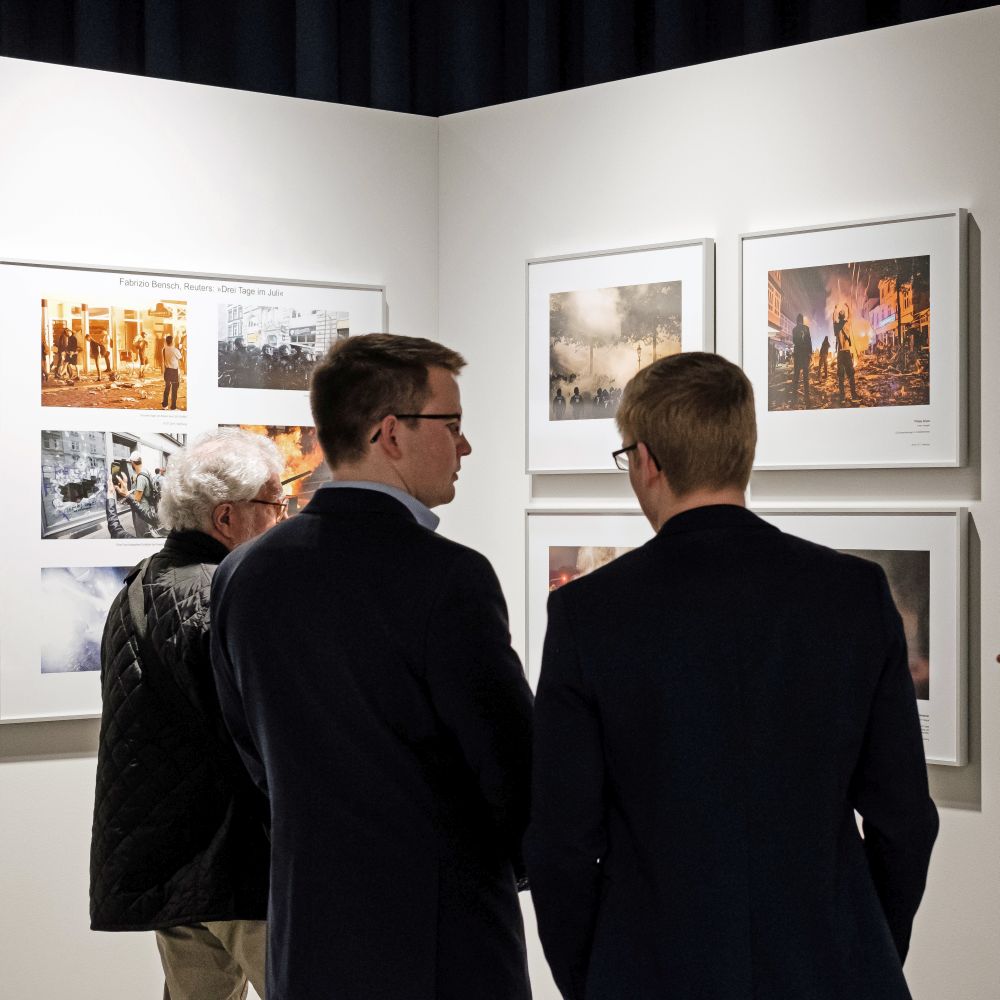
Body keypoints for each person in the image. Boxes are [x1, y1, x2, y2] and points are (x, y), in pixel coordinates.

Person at [525, 351, 938, 1000]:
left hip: (651, 972)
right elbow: (905, 820)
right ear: (742, 450)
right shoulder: (854, 594)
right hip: (832, 970)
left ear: (648, 461)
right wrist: (863, 950)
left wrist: (597, 977)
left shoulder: (588, 613)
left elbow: (560, 847)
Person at [211, 334, 534, 1000]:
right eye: (453, 426)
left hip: (308, 940)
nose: (465, 447)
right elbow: (510, 768)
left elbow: (253, 750)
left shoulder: (245, 572)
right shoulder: (449, 579)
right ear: (390, 433)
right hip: (440, 945)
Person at [90, 429, 287, 1000]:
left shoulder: (141, 583)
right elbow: (264, 733)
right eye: (273, 504)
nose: (283, 516)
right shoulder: (226, 596)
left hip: (173, 862)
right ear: (226, 517)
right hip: (240, 865)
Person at [119, 451, 158, 538]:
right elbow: (143, 489)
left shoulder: (140, 477)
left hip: (141, 510)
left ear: (132, 463)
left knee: (141, 533)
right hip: (146, 508)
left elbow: (137, 499)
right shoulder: (146, 471)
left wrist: (127, 496)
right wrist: (133, 490)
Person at [834, 305, 858, 403]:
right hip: (847, 352)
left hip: (840, 353)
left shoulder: (835, 326)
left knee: (841, 376)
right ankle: (854, 395)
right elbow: (851, 316)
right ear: (844, 317)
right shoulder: (847, 325)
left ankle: (842, 396)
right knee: (851, 375)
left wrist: (834, 310)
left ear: (839, 317)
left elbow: (833, 318)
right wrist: (848, 307)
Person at [791, 312, 812, 406]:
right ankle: (807, 398)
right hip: (805, 355)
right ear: (802, 320)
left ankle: (794, 398)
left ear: (796, 320)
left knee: (796, 376)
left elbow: (794, 341)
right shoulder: (806, 328)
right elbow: (809, 341)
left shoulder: (794, 329)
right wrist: (809, 353)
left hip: (798, 355)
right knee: (805, 377)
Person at [162, 333, 182, 409]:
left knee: (167, 388)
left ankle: (165, 405)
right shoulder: (175, 350)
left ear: (166, 342)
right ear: (172, 341)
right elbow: (181, 359)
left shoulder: (164, 349)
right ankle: (173, 406)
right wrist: (179, 349)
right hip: (174, 371)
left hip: (167, 371)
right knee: (174, 389)